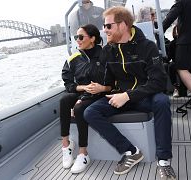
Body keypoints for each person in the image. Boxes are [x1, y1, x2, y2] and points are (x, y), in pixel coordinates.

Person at [83, 6, 176, 179]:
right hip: (120, 95)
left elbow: (158, 82)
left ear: (123, 25)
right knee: (90, 112)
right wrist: (88, 94)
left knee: (162, 101)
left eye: (108, 26)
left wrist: (127, 96)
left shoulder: (147, 47)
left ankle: (163, 161)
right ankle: (130, 151)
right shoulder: (108, 51)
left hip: (143, 97)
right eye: (104, 26)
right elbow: (107, 83)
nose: (105, 30)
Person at [60, 24, 112, 173]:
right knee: (64, 100)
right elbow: (68, 83)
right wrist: (83, 89)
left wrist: (100, 89)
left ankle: (83, 153)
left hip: (100, 93)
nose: (78, 40)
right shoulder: (74, 58)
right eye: (76, 37)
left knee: (79, 107)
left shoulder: (105, 55)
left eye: (81, 37)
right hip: (84, 90)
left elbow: (113, 81)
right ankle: (66, 145)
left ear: (93, 39)